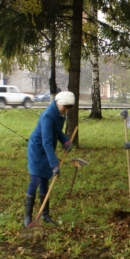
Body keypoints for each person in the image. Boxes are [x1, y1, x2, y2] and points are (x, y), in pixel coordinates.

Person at [24, 91, 74, 227]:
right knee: (36, 180)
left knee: (45, 181)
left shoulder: (58, 114)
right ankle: (27, 217)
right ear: (59, 103)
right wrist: (54, 165)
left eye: (68, 109)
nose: (66, 111)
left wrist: (66, 142)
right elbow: (46, 142)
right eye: (65, 108)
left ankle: (45, 215)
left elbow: (57, 131)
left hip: (47, 150)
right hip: (38, 150)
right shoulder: (48, 116)